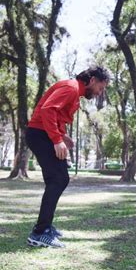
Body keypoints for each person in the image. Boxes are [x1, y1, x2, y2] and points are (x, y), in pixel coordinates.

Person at [26, 66, 109, 248]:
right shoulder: (71, 88)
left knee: (59, 179)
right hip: (40, 135)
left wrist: (62, 136)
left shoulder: (74, 92)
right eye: (100, 88)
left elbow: (53, 114)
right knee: (58, 178)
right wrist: (56, 140)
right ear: (93, 80)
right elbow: (48, 110)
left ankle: (44, 227)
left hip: (43, 134)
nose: (99, 93)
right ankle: (39, 232)